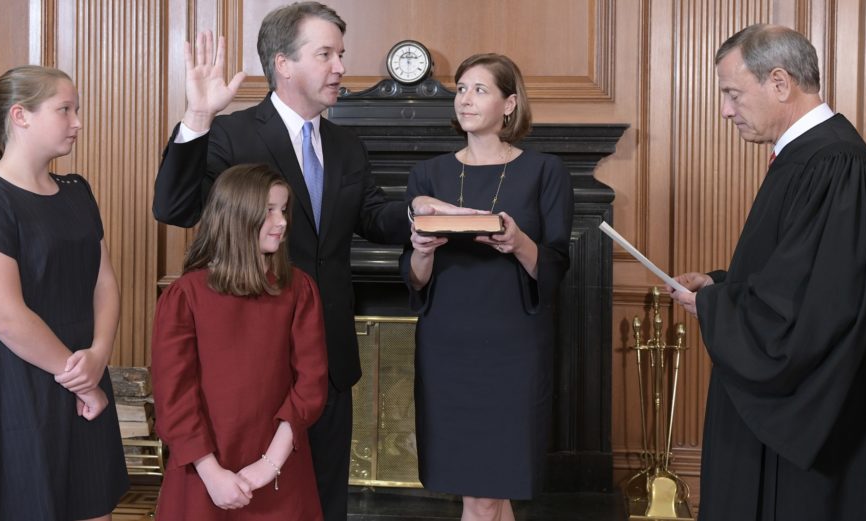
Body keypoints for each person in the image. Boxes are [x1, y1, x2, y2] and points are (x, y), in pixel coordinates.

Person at [151, 3, 454, 518]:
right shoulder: (232, 134)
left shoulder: (346, 144)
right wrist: (199, 115)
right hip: (255, 370)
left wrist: (415, 215)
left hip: (327, 365)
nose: (340, 66)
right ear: (283, 64)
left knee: (324, 505)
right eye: (326, 54)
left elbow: (372, 216)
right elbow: (175, 208)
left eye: (341, 54)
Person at [667, 24, 866, 520]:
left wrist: (717, 307)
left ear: (780, 83)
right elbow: (797, 274)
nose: (725, 110)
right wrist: (724, 286)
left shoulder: (837, 166)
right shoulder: (811, 159)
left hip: (828, 433)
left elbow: (816, 312)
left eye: (733, 93)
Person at [0, 65, 129, 520]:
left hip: (84, 368)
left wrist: (98, 357)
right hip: (18, 381)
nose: (78, 122)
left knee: (93, 506)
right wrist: (82, 380)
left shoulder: (77, 191)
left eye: (77, 109)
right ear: (20, 116)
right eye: (64, 109)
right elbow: (7, 317)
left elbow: (104, 281)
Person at [401, 53, 574, 521]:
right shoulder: (428, 176)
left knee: (488, 490)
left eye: (479, 89)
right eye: (460, 89)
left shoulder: (545, 172)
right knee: (483, 493)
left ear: (510, 103)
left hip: (512, 348)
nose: (465, 99)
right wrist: (421, 249)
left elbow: (557, 265)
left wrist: (519, 243)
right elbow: (414, 280)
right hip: (447, 347)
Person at [151, 164, 328, 520]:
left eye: (283, 210)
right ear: (236, 216)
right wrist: (212, 473)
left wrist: (269, 465)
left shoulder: (299, 289)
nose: (282, 222)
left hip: (280, 468)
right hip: (201, 470)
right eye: (269, 211)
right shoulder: (185, 296)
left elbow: (310, 385)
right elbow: (174, 396)